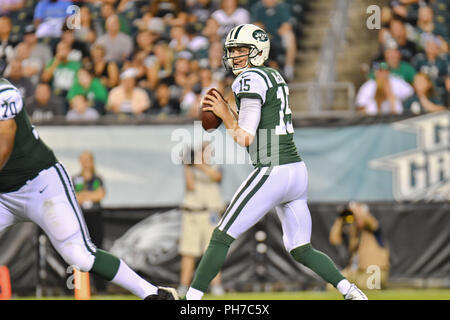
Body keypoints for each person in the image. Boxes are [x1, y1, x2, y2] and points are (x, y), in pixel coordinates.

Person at [184, 24, 368, 300]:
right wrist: (230, 112)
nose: (234, 56)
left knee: (221, 235)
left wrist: (224, 114)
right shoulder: (274, 76)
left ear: (258, 51)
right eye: (232, 50)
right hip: (296, 171)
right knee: (300, 248)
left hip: (273, 168)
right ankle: (351, 292)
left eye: (241, 50)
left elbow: (244, 137)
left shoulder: (249, 79)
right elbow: (259, 122)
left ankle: (191, 300)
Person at [0, 60, 178, 300]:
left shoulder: (4, 92)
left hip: (39, 184)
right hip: (3, 194)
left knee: (79, 255)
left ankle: (153, 294)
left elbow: (4, 142)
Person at [177, 143, 226, 297]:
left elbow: (217, 177)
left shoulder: (215, 166)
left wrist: (199, 165)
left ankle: (216, 285)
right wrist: (187, 165)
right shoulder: (191, 168)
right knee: (188, 252)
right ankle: (184, 285)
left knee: (211, 251)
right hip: (192, 214)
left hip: (210, 214)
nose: (209, 154)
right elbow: (190, 186)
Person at [329, 202, 390, 290]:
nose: (356, 220)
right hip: (355, 271)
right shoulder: (353, 232)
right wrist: (341, 217)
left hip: (374, 270)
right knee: (332, 285)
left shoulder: (374, 229)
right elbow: (334, 239)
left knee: (366, 286)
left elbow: (368, 220)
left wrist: (355, 209)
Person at [72, 151, 107, 294]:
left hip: (95, 217)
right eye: (83, 160)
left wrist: (86, 195)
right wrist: (90, 195)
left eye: (88, 160)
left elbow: (100, 194)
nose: (86, 163)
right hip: (81, 218)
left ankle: (100, 287)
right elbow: (76, 197)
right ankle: (76, 287)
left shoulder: (97, 178)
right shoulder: (76, 179)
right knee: (79, 250)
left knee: (98, 250)